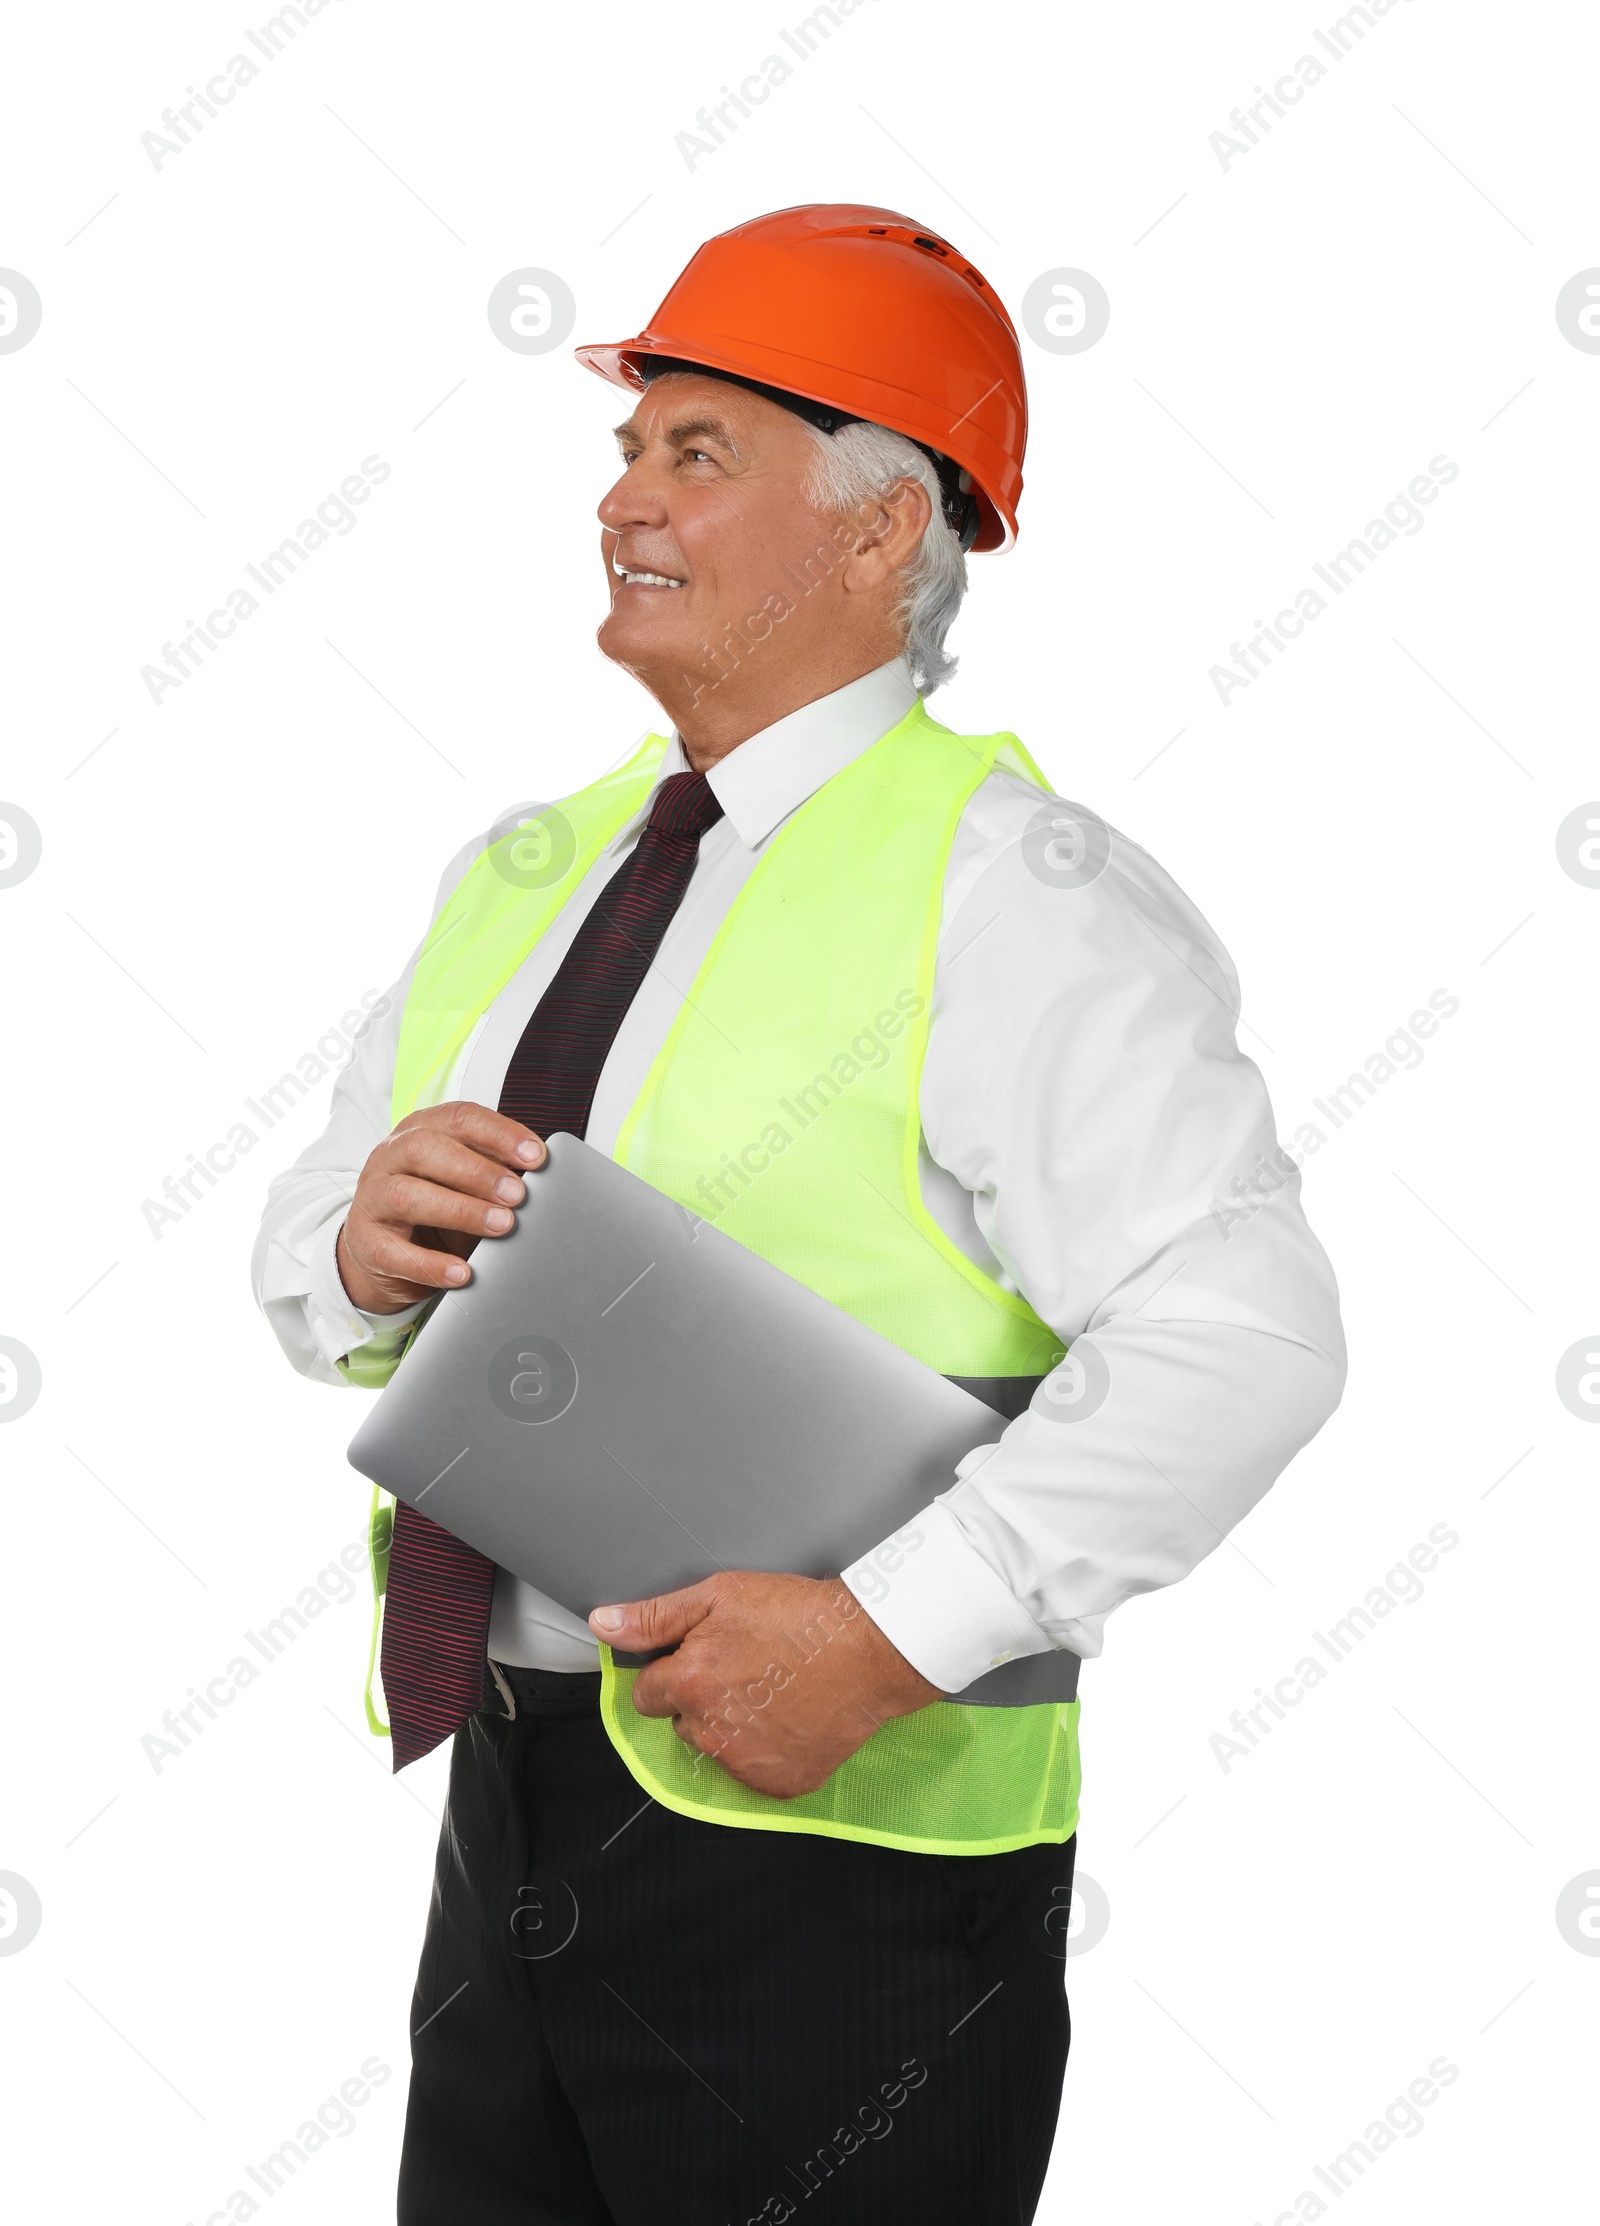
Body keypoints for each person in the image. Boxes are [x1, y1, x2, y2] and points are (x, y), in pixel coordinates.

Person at [253, 203, 1346, 2225]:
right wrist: (343, 1248)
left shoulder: (1011, 886)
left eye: (695, 453)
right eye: (622, 448)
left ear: (878, 532)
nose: (620, 501)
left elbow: (1244, 1335)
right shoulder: (533, 866)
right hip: (517, 1800)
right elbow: (322, 1225)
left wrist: (886, 1633)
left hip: (845, 1860)